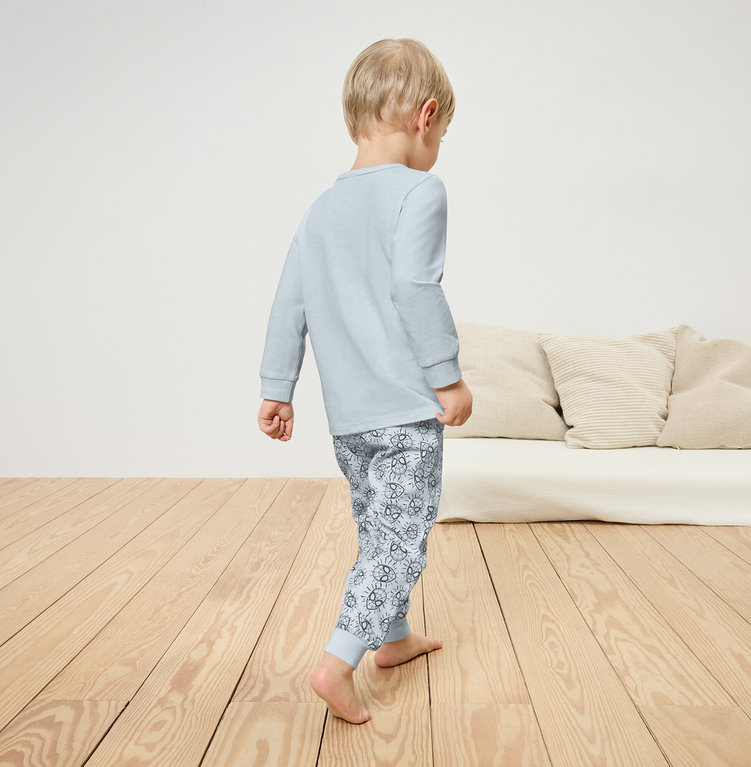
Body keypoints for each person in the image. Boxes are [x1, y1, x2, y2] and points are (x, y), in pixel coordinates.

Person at [256, 38, 472, 725]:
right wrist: (448, 379)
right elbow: (415, 285)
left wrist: (276, 387)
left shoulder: (319, 209)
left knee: (378, 528)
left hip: (347, 419)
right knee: (399, 537)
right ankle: (337, 661)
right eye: (443, 131)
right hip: (405, 413)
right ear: (426, 117)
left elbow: (289, 302)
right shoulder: (421, 189)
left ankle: (393, 636)